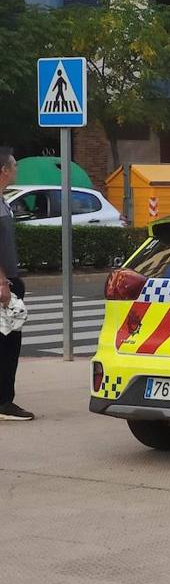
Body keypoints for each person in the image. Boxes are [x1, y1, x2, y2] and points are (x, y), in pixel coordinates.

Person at [0, 148, 32, 421]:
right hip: (3, 284)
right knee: (8, 344)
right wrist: (3, 282)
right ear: (4, 171)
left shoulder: (3, 200)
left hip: (9, 280)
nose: (16, 171)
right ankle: (4, 402)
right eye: (14, 167)